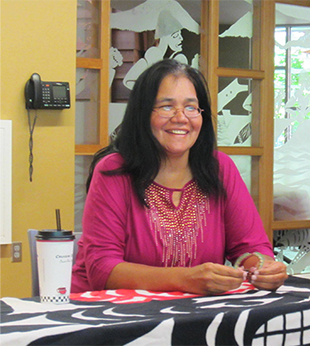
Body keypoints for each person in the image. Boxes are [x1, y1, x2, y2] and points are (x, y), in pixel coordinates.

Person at [72, 59, 288, 295]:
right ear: (142, 113)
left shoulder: (220, 168)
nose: (180, 117)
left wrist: (263, 268)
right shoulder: (113, 171)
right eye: (166, 106)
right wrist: (185, 279)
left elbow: (251, 246)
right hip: (109, 319)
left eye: (191, 107)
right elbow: (102, 269)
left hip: (193, 314)